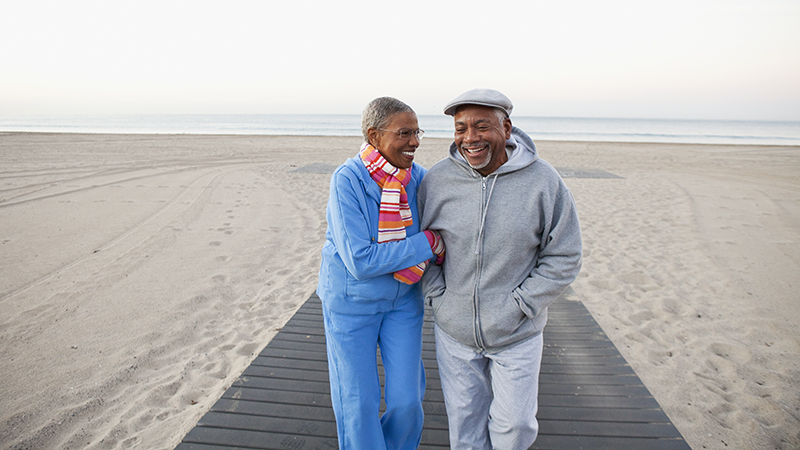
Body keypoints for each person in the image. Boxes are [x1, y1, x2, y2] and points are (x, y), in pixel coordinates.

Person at [418, 89, 582, 449]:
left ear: (506, 128)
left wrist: (520, 305)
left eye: (481, 127)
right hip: (454, 332)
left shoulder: (543, 181)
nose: (470, 138)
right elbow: (420, 247)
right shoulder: (438, 180)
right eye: (461, 129)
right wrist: (439, 298)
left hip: (517, 334)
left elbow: (565, 255)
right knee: (465, 432)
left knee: (516, 428)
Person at [317, 96, 445, 449]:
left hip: (403, 301)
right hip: (350, 304)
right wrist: (427, 242)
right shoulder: (348, 180)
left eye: (418, 132)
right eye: (405, 132)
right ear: (374, 136)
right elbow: (361, 261)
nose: (415, 141)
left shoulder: (418, 178)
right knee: (358, 402)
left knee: (407, 401)